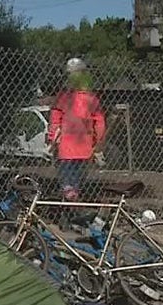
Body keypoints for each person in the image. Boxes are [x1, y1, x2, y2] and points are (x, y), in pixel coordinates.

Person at [47, 57, 106, 201]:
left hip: (66, 148)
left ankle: (69, 196)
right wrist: (98, 143)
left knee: (67, 177)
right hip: (85, 147)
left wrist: (52, 138)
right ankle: (73, 197)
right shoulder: (91, 99)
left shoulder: (63, 98)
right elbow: (99, 124)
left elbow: (55, 120)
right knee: (77, 177)